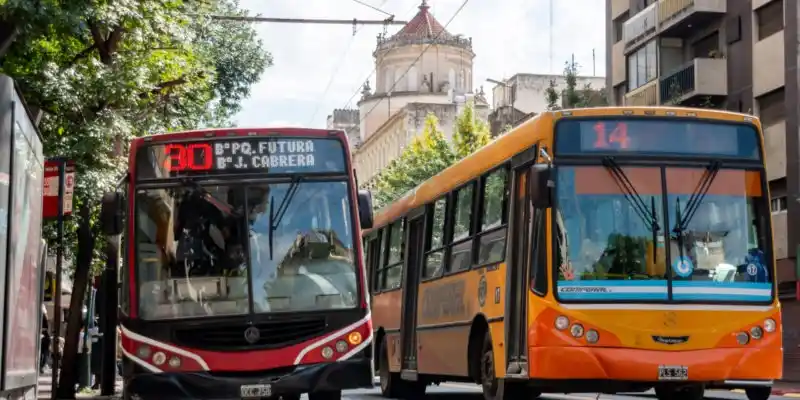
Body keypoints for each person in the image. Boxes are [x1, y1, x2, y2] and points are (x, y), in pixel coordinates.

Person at [40, 307, 51, 373]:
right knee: (45, 353)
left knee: (43, 352)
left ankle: (41, 366)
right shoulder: (44, 317)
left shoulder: (41, 317)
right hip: (45, 337)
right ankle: (42, 366)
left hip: (43, 336)